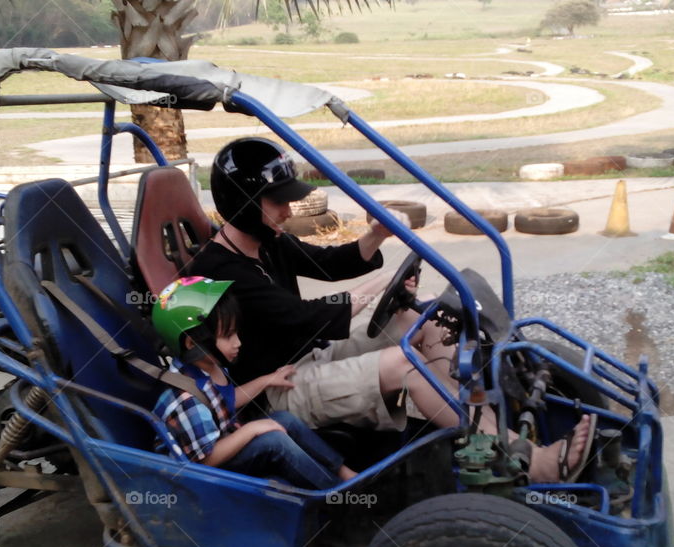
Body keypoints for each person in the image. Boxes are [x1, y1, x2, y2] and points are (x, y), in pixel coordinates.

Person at [189, 137, 592, 483]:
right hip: (275, 391)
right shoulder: (221, 270)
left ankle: (482, 428)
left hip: (307, 357)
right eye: (277, 202)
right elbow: (309, 317)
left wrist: (375, 236)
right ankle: (533, 464)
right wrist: (380, 285)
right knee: (404, 366)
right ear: (243, 204)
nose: (289, 211)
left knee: (429, 322)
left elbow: (329, 263)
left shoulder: (267, 240)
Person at [151, 275, 357, 490]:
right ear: (192, 342)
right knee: (274, 441)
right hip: (201, 474)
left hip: (219, 442)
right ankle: (335, 493)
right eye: (228, 335)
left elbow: (225, 401)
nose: (238, 342)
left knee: (284, 419)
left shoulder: (208, 364)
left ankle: (345, 473)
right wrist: (251, 430)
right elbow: (204, 460)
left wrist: (267, 380)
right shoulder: (186, 398)